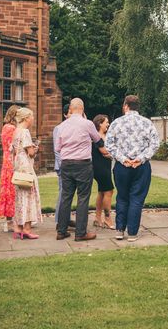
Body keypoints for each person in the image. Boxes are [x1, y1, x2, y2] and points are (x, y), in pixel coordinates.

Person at [105, 95, 160, 242]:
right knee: (136, 198)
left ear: (125, 106)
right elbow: (154, 144)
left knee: (122, 197)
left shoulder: (117, 123)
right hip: (141, 166)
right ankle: (133, 232)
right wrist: (140, 159)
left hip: (122, 167)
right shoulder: (147, 123)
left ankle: (119, 230)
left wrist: (123, 159)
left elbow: (109, 144)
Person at [54, 98, 103, 242]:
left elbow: (57, 148)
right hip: (82, 164)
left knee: (66, 197)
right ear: (82, 108)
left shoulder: (61, 126)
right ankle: (80, 233)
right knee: (83, 198)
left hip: (66, 163)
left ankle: (61, 231)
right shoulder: (87, 124)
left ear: (70, 108)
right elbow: (97, 140)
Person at [11, 107, 42, 239]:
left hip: (18, 166)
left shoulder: (16, 131)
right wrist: (36, 149)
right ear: (26, 118)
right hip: (26, 167)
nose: (33, 119)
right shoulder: (25, 132)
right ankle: (27, 229)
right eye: (32, 117)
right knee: (29, 196)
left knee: (20, 197)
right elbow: (30, 152)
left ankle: (17, 227)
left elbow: (13, 150)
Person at [53, 103, 76, 233]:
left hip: (71, 165)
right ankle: (59, 222)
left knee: (68, 196)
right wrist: (62, 166)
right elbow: (57, 150)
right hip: (63, 166)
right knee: (63, 194)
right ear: (65, 114)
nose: (73, 115)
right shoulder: (59, 128)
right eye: (70, 113)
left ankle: (65, 219)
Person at [0, 105, 19, 232]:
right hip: (12, 160)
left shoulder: (5, 127)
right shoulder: (12, 128)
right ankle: (10, 219)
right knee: (12, 189)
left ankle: (5, 218)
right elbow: (14, 147)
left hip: (6, 160)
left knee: (7, 188)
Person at [92, 114, 115, 229]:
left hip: (105, 167)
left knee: (102, 192)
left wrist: (110, 155)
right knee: (109, 191)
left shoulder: (105, 135)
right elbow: (104, 151)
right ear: (99, 123)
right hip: (99, 168)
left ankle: (97, 218)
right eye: (106, 122)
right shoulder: (96, 136)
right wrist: (112, 154)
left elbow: (109, 152)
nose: (108, 124)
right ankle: (107, 219)